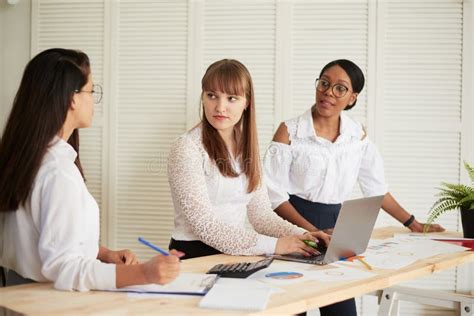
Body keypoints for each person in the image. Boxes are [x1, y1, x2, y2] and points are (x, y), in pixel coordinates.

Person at [263, 59, 445, 315]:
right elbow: (273, 196)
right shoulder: (289, 131)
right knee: (293, 306)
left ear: (352, 97)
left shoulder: (356, 135)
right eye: (324, 83)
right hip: (292, 224)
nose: (328, 91)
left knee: (342, 309)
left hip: (338, 226)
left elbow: (376, 188)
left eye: (340, 88)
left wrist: (412, 223)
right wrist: (311, 232)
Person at [0, 48, 181, 291]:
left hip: (16, 294)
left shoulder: (26, 159)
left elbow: (42, 240)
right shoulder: (57, 173)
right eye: (91, 90)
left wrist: (103, 254)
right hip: (46, 301)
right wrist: (143, 273)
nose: (93, 100)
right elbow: (66, 269)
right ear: (72, 98)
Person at [168, 59, 330, 260]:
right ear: (203, 97)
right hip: (194, 255)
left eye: (231, 98)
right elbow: (204, 225)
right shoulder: (186, 147)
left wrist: (303, 236)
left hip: (235, 254)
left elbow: (261, 215)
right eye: (212, 96)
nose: (220, 107)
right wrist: (276, 245)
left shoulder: (246, 148)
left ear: (247, 102)